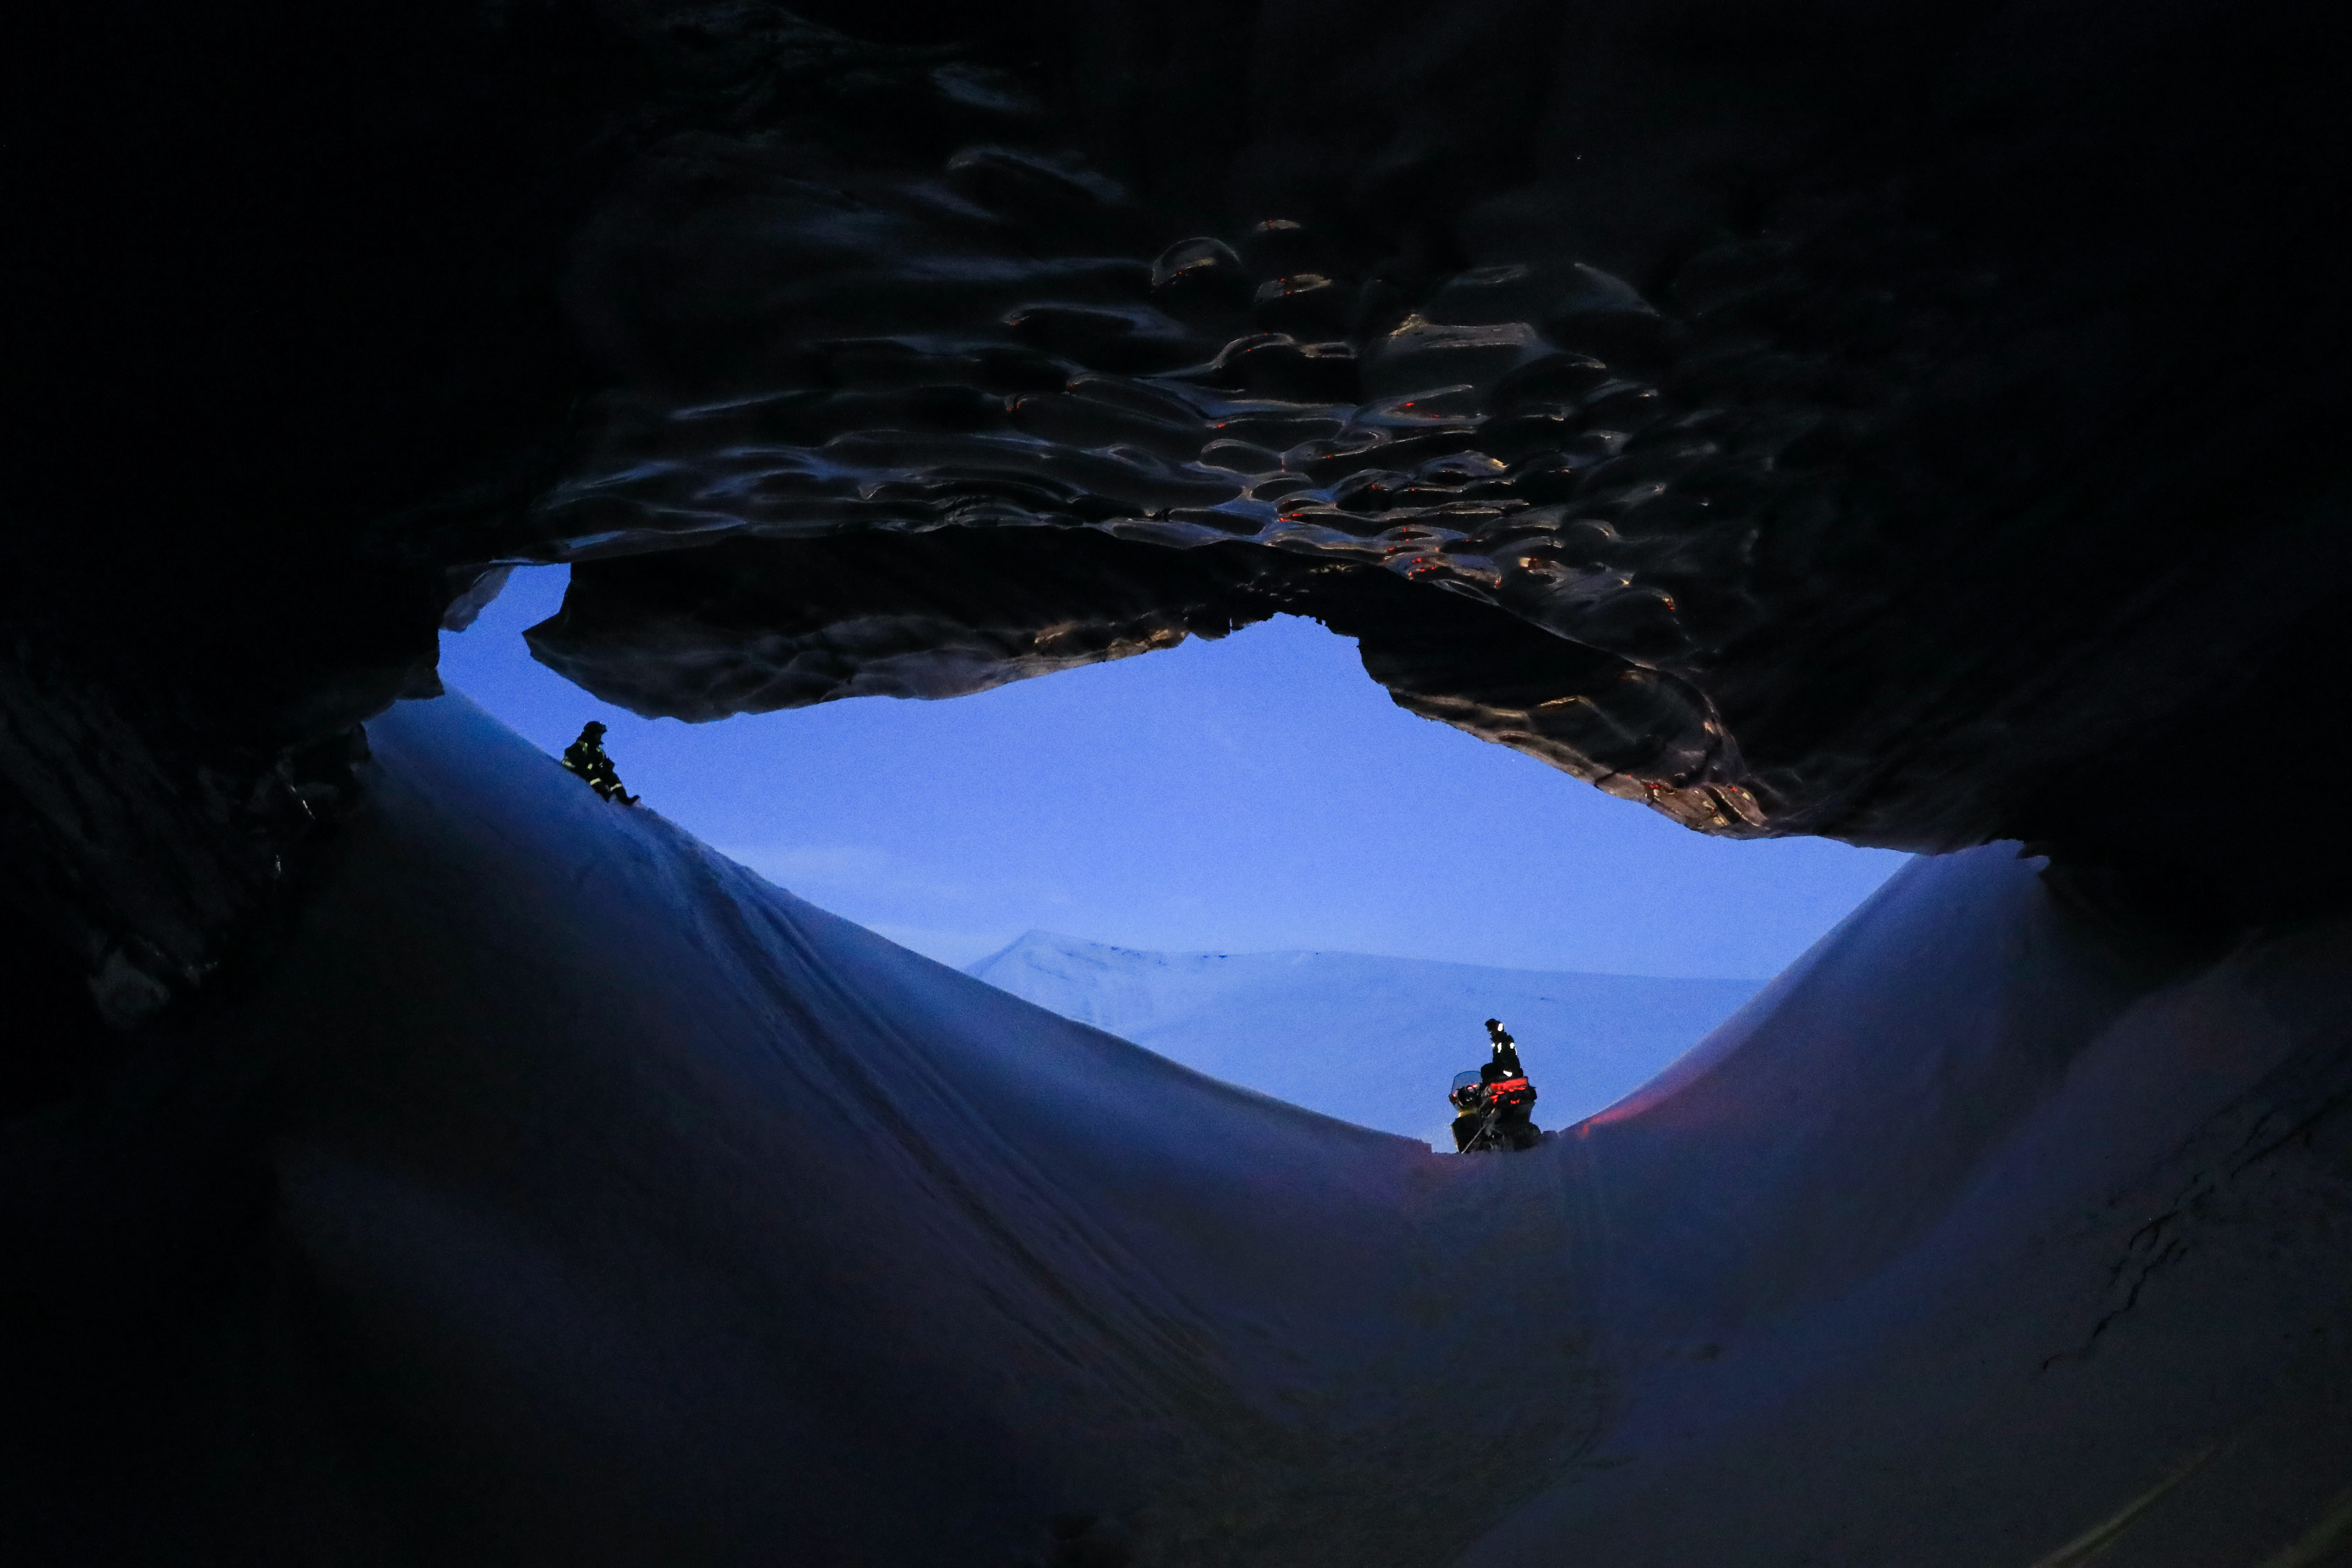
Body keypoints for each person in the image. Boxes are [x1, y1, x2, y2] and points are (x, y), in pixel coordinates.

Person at [1451, 1017, 1541, 1152]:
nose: (1491, 1033)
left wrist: (1500, 1075)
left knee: (1487, 1076)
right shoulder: (1500, 1043)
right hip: (1510, 1080)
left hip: (1508, 1078)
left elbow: (1508, 1061)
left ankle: (1486, 1141)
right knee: (1486, 1071)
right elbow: (1498, 1062)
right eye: (1490, 1031)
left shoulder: (1504, 1042)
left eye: (1492, 1030)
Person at [561, 720, 639, 805]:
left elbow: (603, 763)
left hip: (591, 772)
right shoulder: (580, 745)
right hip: (576, 770)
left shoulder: (600, 752)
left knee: (613, 777)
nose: (600, 737)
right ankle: (604, 794)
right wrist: (594, 767)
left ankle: (623, 799)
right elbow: (577, 761)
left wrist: (608, 768)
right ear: (591, 734)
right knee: (592, 776)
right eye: (598, 734)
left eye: (601, 735)